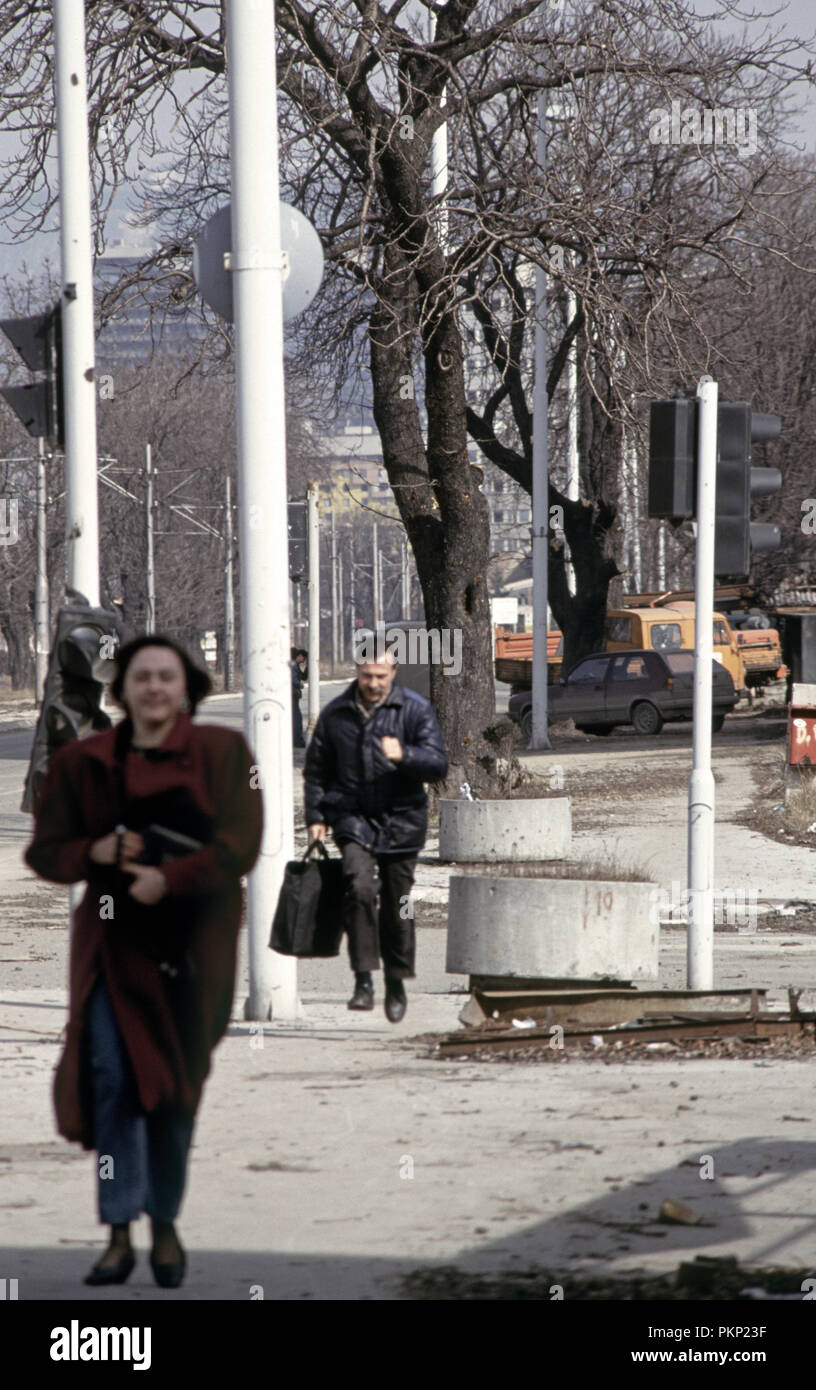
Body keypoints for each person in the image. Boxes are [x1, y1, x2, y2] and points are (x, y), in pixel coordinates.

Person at [25, 635, 263, 1289]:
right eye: (141, 677)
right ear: (122, 690)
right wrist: (95, 853)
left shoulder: (223, 753)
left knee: (175, 1088)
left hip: (194, 951)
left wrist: (172, 877)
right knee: (110, 1079)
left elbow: (241, 844)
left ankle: (165, 1224)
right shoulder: (87, 761)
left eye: (166, 677)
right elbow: (47, 851)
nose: (154, 688)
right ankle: (117, 1232)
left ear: (186, 688)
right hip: (111, 948)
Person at [304, 650, 447, 1021]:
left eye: (380, 676)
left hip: (402, 820)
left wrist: (405, 755)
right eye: (367, 675)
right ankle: (364, 979)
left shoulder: (414, 710)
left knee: (398, 904)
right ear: (357, 671)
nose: (373, 683)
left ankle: (396, 981)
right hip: (353, 820)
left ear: (393, 673)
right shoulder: (337, 714)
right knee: (359, 889)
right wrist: (317, 816)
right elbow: (317, 771)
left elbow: (438, 764)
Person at [291, 647, 307, 748]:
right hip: (292, 694)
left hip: (292, 694)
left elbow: (303, 676)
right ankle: (298, 741)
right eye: (304, 658)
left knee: (295, 718)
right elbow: (293, 679)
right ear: (300, 656)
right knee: (297, 718)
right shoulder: (293, 665)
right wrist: (300, 685)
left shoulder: (294, 665)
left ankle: (296, 740)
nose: (304, 661)